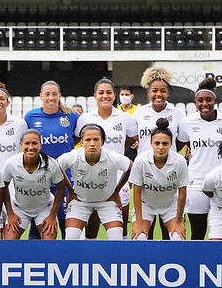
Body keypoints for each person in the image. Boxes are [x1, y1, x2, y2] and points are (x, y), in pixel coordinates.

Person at [176, 77, 222, 240]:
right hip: (196, 182)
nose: (204, 104)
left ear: (216, 100)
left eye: (208, 100)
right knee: (197, 232)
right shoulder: (187, 122)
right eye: (200, 101)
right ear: (195, 102)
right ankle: (196, 265)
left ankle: (221, 265)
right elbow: (177, 147)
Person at [75, 78, 137, 239]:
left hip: (117, 179)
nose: (105, 96)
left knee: (121, 227)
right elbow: (76, 142)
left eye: (109, 92)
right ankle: (91, 261)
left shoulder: (125, 118)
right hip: (91, 180)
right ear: (95, 96)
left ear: (114, 95)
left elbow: (133, 139)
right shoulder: (85, 119)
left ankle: (123, 261)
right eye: (101, 92)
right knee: (92, 227)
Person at [24, 80, 80, 238]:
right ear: (41, 96)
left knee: (64, 220)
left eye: (54, 94)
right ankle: (36, 257)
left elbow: (74, 139)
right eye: (47, 94)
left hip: (64, 177)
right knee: (39, 222)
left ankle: (66, 258)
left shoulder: (72, 116)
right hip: (39, 177)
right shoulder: (31, 116)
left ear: (60, 96)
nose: (51, 97)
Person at [58, 124, 132, 240]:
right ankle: (87, 258)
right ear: (81, 142)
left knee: (117, 240)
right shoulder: (73, 156)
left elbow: (131, 167)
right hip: (80, 202)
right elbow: (56, 166)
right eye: (88, 140)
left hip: (107, 202)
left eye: (96, 139)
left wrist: (117, 190)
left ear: (102, 141)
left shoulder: (112, 157)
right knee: (70, 240)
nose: (92, 143)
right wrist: (70, 190)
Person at [129, 117, 188, 240]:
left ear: (171, 144)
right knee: (139, 238)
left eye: (165, 143)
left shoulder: (180, 161)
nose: (161, 147)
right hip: (146, 205)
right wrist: (139, 223)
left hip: (170, 205)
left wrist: (178, 221)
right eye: (157, 143)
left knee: (178, 238)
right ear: (151, 143)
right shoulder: (141, 160)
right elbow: (137, 192)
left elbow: (182, 193)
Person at [2, 129, 66, 239]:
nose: (30, 147)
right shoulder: (11, 163)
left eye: (34, 143)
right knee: (9, 243)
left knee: (49, 242)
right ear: (21, 145)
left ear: (40, 145)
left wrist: (52, 215)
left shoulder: (50, 164)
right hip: (19, 208)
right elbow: (3, 187)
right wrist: (10, 213)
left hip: (44, 208)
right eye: (27, 143)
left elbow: (61, 188)